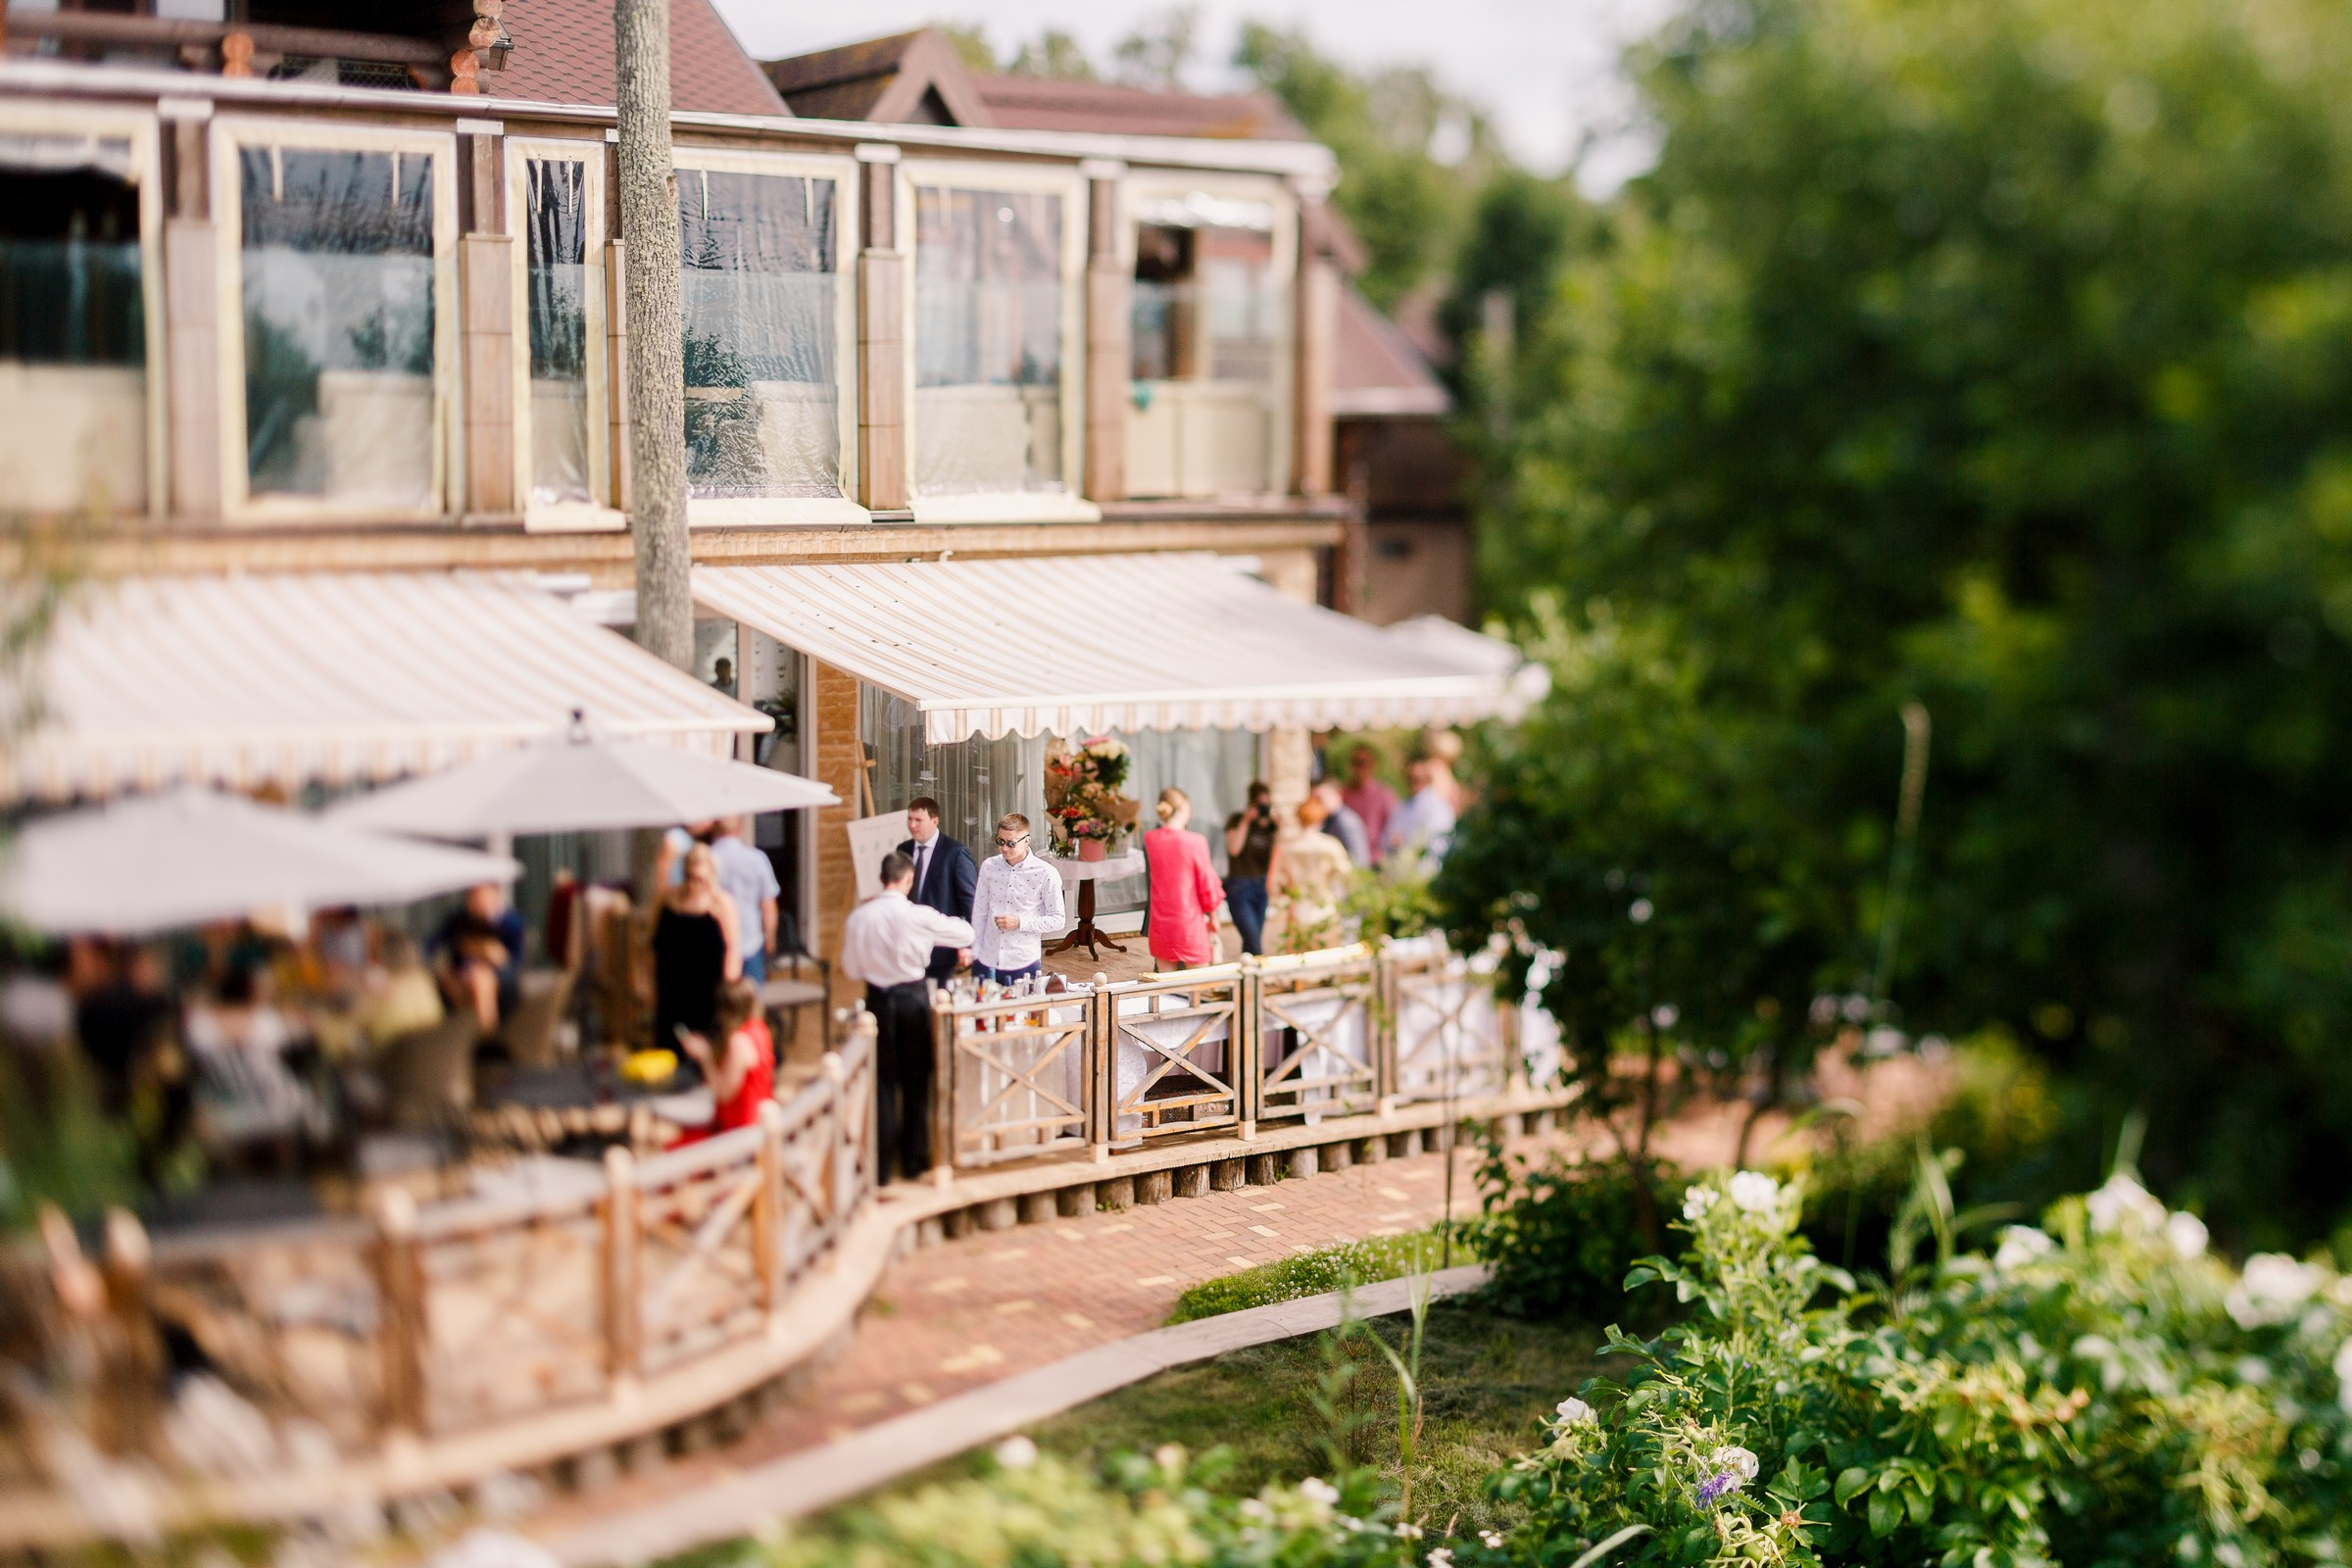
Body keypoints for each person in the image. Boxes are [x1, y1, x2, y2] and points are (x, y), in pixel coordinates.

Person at [840, 851, 975, 1181]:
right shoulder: (919, 915)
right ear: (909, 879)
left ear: (881, 879)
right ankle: (914, 1160)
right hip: (913, 1000)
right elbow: (966, 934)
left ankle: (882, 1166)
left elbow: (850, 968)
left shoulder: (860, 917)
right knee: (916, 1079)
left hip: (877, 1001)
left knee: (882, 1080)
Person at [651, 844, 741, 1065]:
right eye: (690, 877)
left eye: (701, 879)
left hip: (707, 993)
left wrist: (729, 989)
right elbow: (653, 946)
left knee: (705, 1054)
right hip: (672, 990)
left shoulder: (721, 903)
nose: (694, 884)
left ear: (712, 875)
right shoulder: (669, 900)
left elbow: (733, 948)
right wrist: (646, 981)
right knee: (669, 1051)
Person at [967, 813, 1065, 987]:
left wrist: (1020, 923)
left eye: (1011, 843)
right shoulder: (989, 866)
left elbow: (1058, 920)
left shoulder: (1046, 873)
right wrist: (974, 952)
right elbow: (979, 911)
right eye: (1000, 841)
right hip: (986, 959)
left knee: (1023, 1006)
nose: (1004, 848)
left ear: (1027, 841)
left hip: (1023, 961)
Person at [675, 978, 774, 1141]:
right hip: (754, 1121)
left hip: (740, 1130)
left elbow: (723, 1093)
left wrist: (705, 1057)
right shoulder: (760, 1029)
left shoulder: (739, 1041)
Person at [897, 796, 977, 982]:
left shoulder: (955, 852)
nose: (912, 825)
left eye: (918, 820)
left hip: (942, 947)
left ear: (934, 821)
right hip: (908, 946)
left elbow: (970, 903)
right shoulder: (903, 850)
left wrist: (967, 945)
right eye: (910, 819)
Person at [1143, 787, 1223, 970]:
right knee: (1197, 983)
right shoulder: (1195, 841)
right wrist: (1213, 914)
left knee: (1167, 984)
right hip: (1189, 924)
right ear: (1184, 808)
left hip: (1161, 925)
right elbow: (1207, 883)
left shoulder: (1151, 838)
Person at [1267, 797, 1355, 954]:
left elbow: (1274, 885)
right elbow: (1347, 876)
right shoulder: (1330, 846)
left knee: (1299, 962)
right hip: (1324, 911)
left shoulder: (1286, 848)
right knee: (1326, 960)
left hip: (1297, 913)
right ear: (1320, 819)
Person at [434, 882, 525, 1032]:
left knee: (481, 980)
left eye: (481, 897)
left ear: (495, 896)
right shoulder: (458, 920)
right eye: (473, 897)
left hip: (499, 981)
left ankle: (485, 1034)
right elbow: (433, 944)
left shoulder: (511, 923)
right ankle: (461, 1032)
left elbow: (516, 963)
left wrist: (496, 957)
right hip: (460, 978)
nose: (477, 903)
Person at [709, 816, 781, 982]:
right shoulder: (757, 859)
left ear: (715, 829)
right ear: (740, 828)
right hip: (750, 941)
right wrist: (770, 939)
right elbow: (768, 906)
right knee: (752, 995)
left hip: (717, 942)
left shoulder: (708, 859)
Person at [356, 929, 446, 1052]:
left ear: (379, 956)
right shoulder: (424, 981)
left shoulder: (381, 990)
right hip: (432, 1052)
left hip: (395, 1058)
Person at [1222, 781, 1279, 957]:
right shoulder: (1237, 819)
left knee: (1252, 941)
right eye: (1259, 804)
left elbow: (1277, 854)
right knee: (1254, 941)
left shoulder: (1271, 826)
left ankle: (1247, 973)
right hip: (1239, 886)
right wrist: (1246, 821)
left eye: (1266, 804)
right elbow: (1234, 849)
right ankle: (1258, 972)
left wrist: (1279, 827)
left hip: (1261, 886)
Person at [1383, 756, 1460, 866]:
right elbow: (1387, 838)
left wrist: (1403, 842)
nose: (1415, 782)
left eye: (1419, 779)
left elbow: (1437, 845)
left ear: (1428, 779)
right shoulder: (1403, 807)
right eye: (1411, 778)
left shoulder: (1439, 809)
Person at [1341, 746, 1399, 858]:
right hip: (1349, 856)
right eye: (1357, 762)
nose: (1360, 768)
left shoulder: (1384, 795)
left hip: (1376, 858)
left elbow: (1394, 827)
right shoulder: (1343, 794)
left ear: (1373, 765)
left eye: (1364, 763)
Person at [1312, 778, 1372, 867]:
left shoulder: (1346, 822)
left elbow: (1358, 859)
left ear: (1335, 795)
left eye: (1320, 799)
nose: (1318, 804)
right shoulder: (1330, 818)